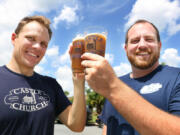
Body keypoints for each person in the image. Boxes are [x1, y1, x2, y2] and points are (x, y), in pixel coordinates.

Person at [81, 19, 180, 135]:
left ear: (159, 46)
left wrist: (113, 88)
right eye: (135, 41)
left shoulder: (176, 77)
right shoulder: (115, 82)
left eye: (149, 39)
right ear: (126, 49)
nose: (142, 45)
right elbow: (107, 127)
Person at [0, 15, 86, 135]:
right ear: (14, 38)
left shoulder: (51, 85)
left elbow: (76, 125)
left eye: (43, 44)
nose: (37, 47)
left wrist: (79, 80)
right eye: (31, 38)